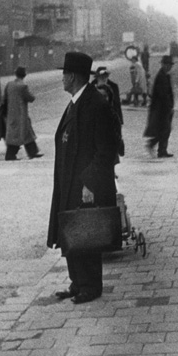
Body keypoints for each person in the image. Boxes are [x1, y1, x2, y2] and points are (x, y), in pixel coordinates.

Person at [47, 51, 118, 305]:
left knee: (86, 231)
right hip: (68, 180)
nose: (62, 78)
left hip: (85, 183)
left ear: (74, 76)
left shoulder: (96, 104)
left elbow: (105, 150)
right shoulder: (76, 102)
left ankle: (91, 286)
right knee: (70, 229)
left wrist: (90, 183)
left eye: (65, 74)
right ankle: (77, 282)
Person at [3, 66, 43, 161]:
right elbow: (30, 98)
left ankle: (33, 152)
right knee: (18, 135)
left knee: (26, 133)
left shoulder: (9, 84)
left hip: (11, 114)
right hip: (21, 115)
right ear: (24, 75)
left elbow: (4, 98)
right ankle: (10, 155)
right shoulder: (23, 86)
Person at [144, 55, 175, 158]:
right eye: (167, 64)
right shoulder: (161, 76)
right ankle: (153, 145)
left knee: (165, 129)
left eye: (170, 65)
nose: (169, 67)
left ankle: (162, 150)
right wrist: (168, 107)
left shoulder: (165, 75)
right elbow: (163, 95)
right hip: (161, 108)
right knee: (165, 129)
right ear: (163, 65)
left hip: (164, 107)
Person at [96, 83, 124, 166]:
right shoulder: (89, 113)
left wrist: (120, 147)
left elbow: (117, 133)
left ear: (109, 97)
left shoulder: (112, 115)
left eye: (104, 96)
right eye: (99, 96)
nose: (102, 99)